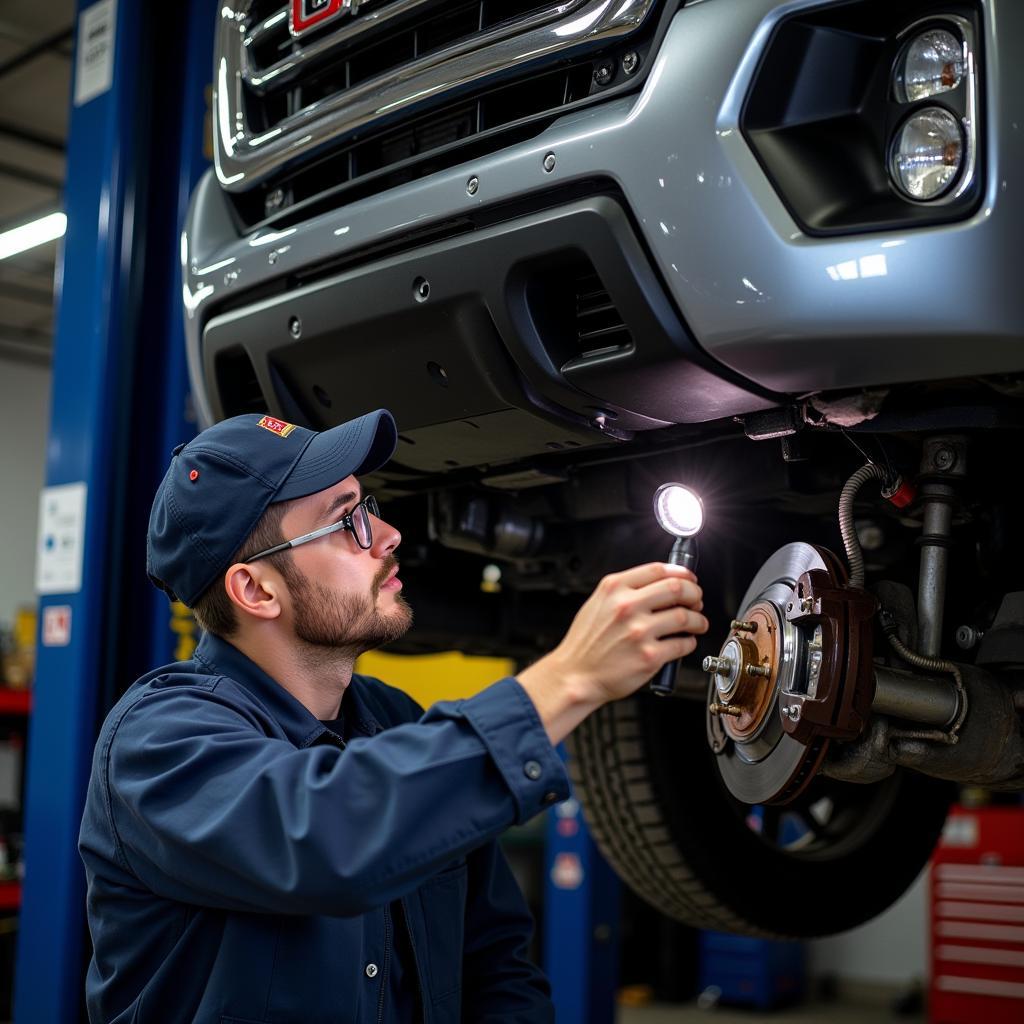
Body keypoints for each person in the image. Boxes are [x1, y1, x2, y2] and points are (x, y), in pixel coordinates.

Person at [79, 410, 708, 1024]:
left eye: (368, 506)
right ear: (256, 590)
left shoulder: (398, 724)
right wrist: (567, 678)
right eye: (345, 521)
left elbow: (494, 965)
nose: (386, 536)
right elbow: (327, 839)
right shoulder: (157, 741)